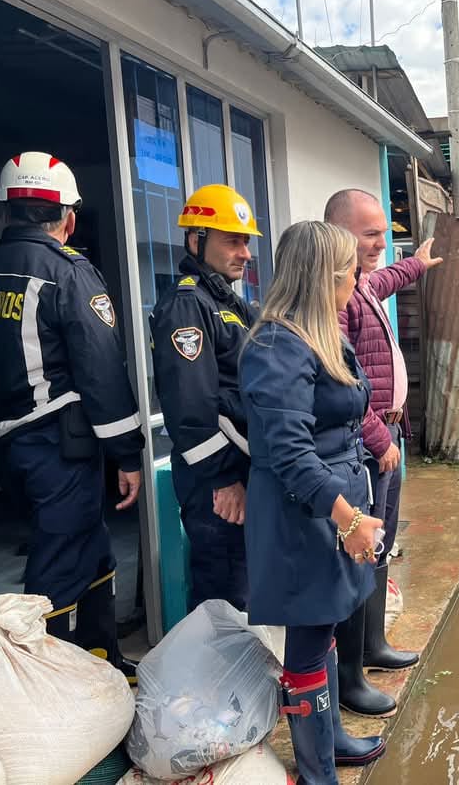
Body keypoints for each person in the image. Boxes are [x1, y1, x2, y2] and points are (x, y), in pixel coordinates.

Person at [0, 152, 144, 677]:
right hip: (59, 444)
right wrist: (127, 454)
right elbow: (101, 370)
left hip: (8, 443)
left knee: (92, 548)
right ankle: (54, 682)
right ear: (67, 218)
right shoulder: (68, 273)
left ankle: (102, 658)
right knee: (61, 560)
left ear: (5, 215)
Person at [240, 221, 388, 781]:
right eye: (352, 268)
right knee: (306, 643)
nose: (359, 275)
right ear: (328, 276)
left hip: (332, 505)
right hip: (305, 514)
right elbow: (290, 453)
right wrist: (348, 521)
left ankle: (333, 744)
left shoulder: (320, 333)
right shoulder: (278, 344)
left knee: (323, 626)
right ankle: (316, 772)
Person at [324, 189, 441, 718]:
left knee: (381, 548)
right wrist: (378, 438)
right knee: (358, 553)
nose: (379, 244)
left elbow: (387, 276)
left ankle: (371, 647)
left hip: (386, 439)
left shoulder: (361, 284)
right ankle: (349, 676)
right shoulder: (336, 297)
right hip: (367, 445)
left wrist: (416, 263)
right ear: (338, 234)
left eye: (383, 234)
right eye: (369, 234)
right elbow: (340, 380)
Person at [149, 185, 259, 612]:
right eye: (232, 240)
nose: (244, 253)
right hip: (216, 483)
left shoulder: (229, 303)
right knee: (225, 596)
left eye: (246, 241)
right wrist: (223, 479)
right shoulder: (186, 306)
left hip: (241, 471)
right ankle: (217, 680)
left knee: (244, 590)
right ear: (196, 240)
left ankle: (242, 679)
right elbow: (190, 408)